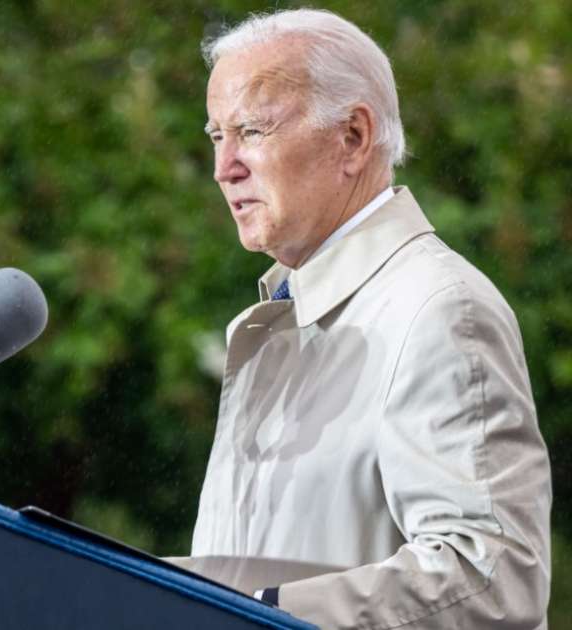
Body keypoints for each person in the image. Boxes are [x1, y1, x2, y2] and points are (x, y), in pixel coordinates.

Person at [189, 9, 551, 628]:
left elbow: (494, 579)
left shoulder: (439, 308)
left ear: (353, 138)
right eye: (217, 136)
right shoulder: (276, 317)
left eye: (251, 130)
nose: (226, 168)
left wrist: (261, 613)